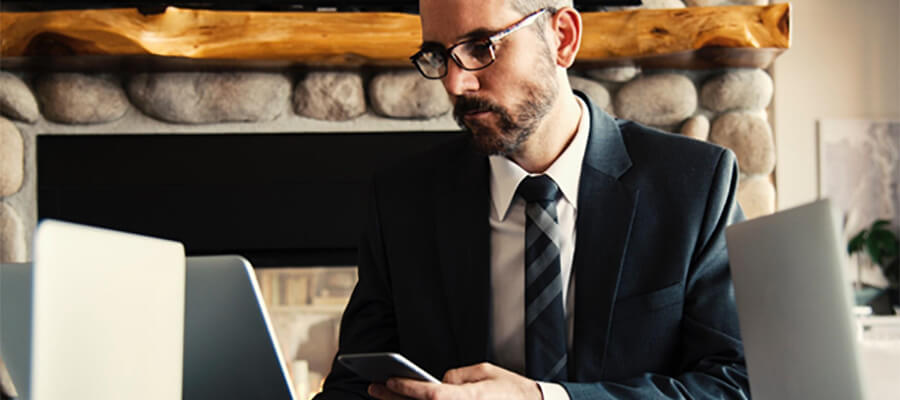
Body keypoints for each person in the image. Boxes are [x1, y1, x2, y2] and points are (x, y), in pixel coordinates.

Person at [315, 0, 749, 398]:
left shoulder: (695, 186)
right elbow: (355, 385)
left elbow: (733, 383)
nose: (455, 81)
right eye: (438, 55)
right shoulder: (400, 202)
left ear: (562, 38)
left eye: (481, 46)